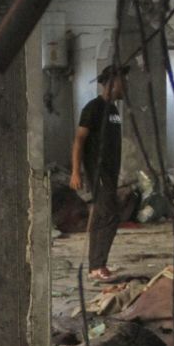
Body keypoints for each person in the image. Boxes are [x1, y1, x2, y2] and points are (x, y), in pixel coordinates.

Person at [70, 65, 127, 282]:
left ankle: (96, 265)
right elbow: (79, 141)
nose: (126, 86)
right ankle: (97, 266)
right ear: (111, 83)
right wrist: (76, 171)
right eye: (123, 81)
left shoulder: (113, 110)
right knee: (110, 215)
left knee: (104, 215)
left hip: (110, 172)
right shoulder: (93, 108)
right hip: (98, 171)